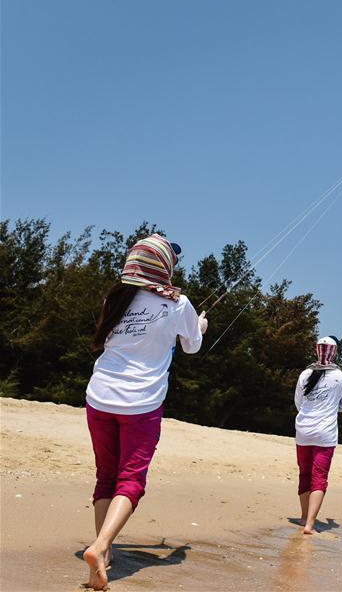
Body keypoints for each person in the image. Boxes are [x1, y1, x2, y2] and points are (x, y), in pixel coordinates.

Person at [82, 234, 206, 590]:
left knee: (105, 475)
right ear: (164, 267)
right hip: (141, 403)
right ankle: (101, 546)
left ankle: (103, 554)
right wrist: (200, 327)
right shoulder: (178, 303)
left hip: (99, 396)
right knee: (131, 480)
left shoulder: (115, 297)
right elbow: (192, 347)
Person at [294, 336, 342, 535]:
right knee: (319, 477)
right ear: (334, 352)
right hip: (325, 432)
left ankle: (303, 517)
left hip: (304, 430)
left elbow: (299, 403)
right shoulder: (341, 377)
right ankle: (310, 523)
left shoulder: (305, 374)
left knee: (304, 473)